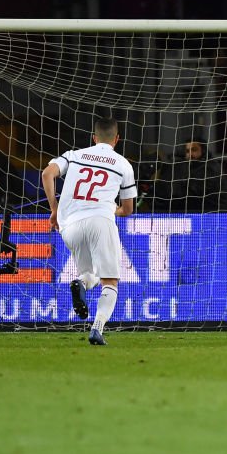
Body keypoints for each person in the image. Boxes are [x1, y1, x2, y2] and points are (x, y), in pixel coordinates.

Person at [41, 118, 137, 346]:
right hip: (100, 220)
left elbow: (47, 174)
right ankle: (97, 328)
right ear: (117, 139)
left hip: (69, 225)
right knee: (110, 282)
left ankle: (80, 284)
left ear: (93, 138)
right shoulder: (123, 163)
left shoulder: (74, 155)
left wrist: (54, 209)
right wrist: (112, 209)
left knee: (89, 274)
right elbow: (128, 209)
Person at [159, 138, 227, 213]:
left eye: (194, 150)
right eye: (187, 151)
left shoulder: (210, 167)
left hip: (219, 215)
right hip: (204, 213)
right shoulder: (191, 167)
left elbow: (193, 193)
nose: (190, 154)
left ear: (203, 151)